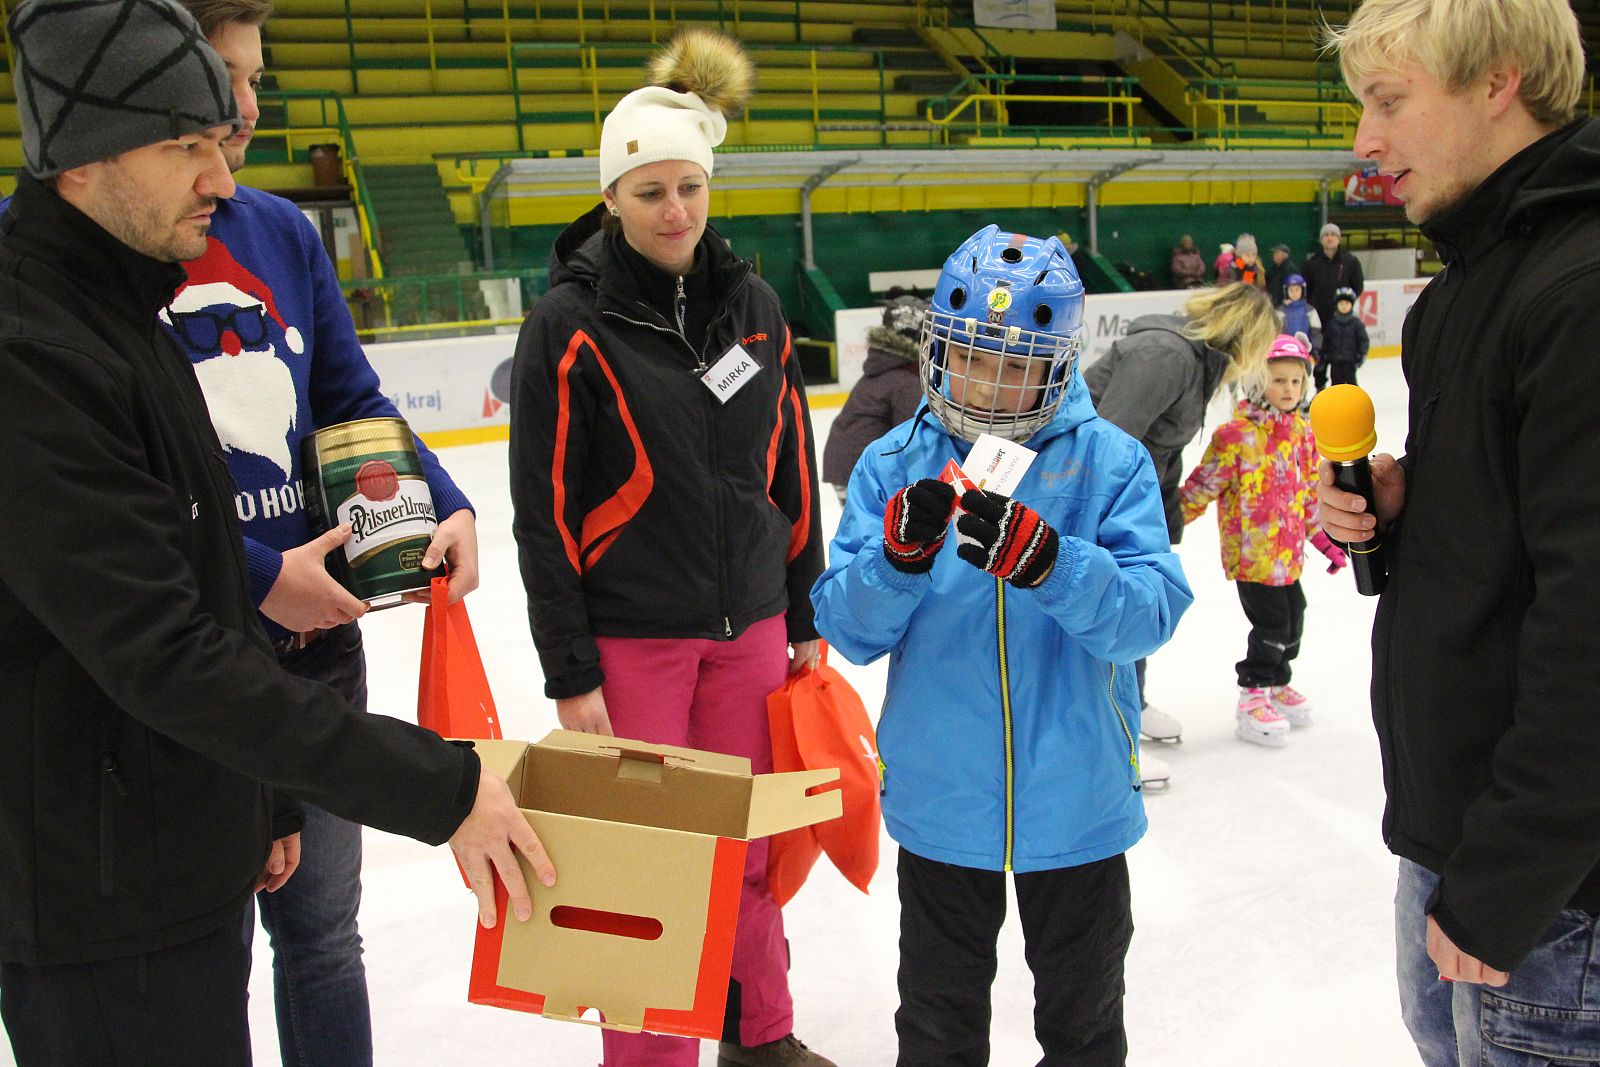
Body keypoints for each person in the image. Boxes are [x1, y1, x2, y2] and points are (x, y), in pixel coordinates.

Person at [0, 4, 551, 1064]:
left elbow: (216, 531)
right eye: (187, 143)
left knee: (316, 947)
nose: (223, 172)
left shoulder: (127, 300)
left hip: (182, 824)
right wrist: (436, 786)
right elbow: (162, 644)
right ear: (82, 154)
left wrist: (258, 802)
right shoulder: (35, 349)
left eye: (226, 130)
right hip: (101, 891)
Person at [155, 3, 481, 1062]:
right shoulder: (93, 255)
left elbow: (349, 398)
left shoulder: (282, 233)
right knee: (197, 956)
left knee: (324, 941)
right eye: (224, 77)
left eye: (256, 78)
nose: (248, 107)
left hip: (312, 659)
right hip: (178, 663)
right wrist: (255, 573)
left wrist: (444, 498)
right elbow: (101, 495)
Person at [507, 28, 832, 1067]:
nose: (675, 210)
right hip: (633, 643)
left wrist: (805, 609)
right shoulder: (568, 324)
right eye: (650, 192)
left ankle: (760, 1033)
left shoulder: (757, 306)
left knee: (746, 849)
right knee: (649, 869)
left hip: (752, 629)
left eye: (689, 187)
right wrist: (570, 667)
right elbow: (543, 511)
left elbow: (790, 467)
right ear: (611, 197)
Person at [811, 225, 1191, 1067]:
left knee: (1085, 1027)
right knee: (937, 1029)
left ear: (1058, 363)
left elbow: (1152, 612)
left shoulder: (1112, 463)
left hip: (1081, 799)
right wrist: (894, 563)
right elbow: (845, 627)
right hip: (942, 802)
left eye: (1016, 364)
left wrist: (1056, 565)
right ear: (938, 348)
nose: (987, 382)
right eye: (971, 356)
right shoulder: (891, 463)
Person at [1319, 2, 1600, 1064]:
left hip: (1549, 895)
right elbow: (1516, 539)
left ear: (1498, 81)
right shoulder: (1462, 289)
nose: (1365, 140)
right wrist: (1409, 512)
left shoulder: (1581, 289)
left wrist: (1505, 882)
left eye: (1389, 101)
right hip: (1456, 840)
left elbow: (1591, 623)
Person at [1083, 283, 1278, 758]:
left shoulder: (1198, 364)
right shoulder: (1166, 355)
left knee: (1137, 607)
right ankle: (1113, 733)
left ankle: (1130, 703)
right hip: (1094, 500)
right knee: (1112, 608)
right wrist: (1107, 524)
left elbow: (1159, 451)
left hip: (1129, 503)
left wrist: (1163, 519)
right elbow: (1106, 441)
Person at [1177, 335, 1347, 748]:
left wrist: (1325, 542)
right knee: (1272, 625)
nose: (1289, 389)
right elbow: (1201, 488)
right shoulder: (1235, 437)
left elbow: (1308, 497)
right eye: (1278, 380)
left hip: (1289, 555)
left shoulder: (1303, 435)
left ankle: (1277, 682)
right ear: (1256, 383)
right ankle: (1253, 694)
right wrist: (1163, 523)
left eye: (1296, 381)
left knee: (1295, 617)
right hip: (1252, 556)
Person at [822, 295, 927, 504]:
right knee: (877, 523)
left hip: (845, 464)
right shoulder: (905, 380)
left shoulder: (887, 365)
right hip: (859, 469)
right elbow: (910, 437)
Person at [1301, 222, 1364, 346]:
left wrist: (1346, 302)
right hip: (1319, 317)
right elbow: (1306, 289)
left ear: (1339, 239)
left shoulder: (1351, 261)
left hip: (1342, 317)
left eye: (1333, 235)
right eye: (1326, 235)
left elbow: (1358, 286)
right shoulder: (1311, 263)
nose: (1329, 238)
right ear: (1321, 239)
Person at [1317, 285, 1368, 388]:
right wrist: (1323, 357)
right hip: (1335, 361)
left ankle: (1354, 398)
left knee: (1352, 384)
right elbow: (1326, 342)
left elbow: (1363, 340)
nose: (1344, 306)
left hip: (1350, 361)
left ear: (1351, 305)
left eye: (1347, 303)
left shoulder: (1356, 323)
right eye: (1341, 304)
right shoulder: (1332, 323)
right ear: (1337, 305)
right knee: (1336, 385)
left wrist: (1361, 354)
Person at [1279, 273, 1320, 353]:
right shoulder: (1281, 311)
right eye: (1291, 290)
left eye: (1297, 289)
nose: (1294, 293)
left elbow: (1316, 333)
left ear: (1303, 290)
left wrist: (1315, 350)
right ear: (1286, 291)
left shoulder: (1310, 310)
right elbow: (1276, 332)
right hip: (1285, 350)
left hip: (1305, 350)